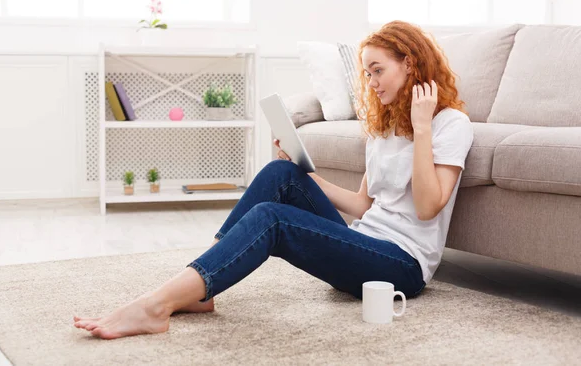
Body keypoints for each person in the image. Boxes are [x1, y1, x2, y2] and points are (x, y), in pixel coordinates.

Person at [73, 20, 474, 340]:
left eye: (378, 70)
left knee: (273, 219)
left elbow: (426, 207)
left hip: (401, 267)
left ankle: (155, 306)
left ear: (410, 63)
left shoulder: (450, 125)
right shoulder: (385, 128)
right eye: (367, 72)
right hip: (367, 241)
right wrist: (306, 174)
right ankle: (197, 289)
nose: (370, 82)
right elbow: (364, 205)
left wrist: (423, 128)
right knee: (281, 173)